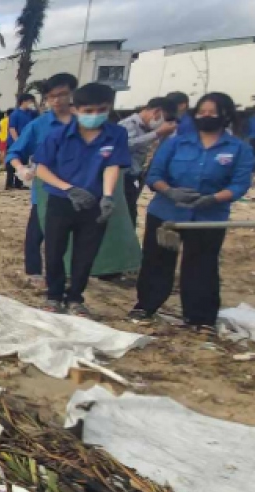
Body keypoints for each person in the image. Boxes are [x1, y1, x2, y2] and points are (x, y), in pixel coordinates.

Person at [132, 92, 253, 328]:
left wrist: (214, 198)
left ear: (225, 115)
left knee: (201, 265)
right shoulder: (176, 142)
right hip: (167, 214)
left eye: (212, 113)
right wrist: (169, 191)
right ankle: (146, 306)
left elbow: (240, 184)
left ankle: (200, 318)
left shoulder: (238, 149)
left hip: (208, 217)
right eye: (201, 112)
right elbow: (155, 174)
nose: (206, 116)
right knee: (157, 261)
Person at [33, 82, 130, 317]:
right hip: (61, 200)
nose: (94, 116)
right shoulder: (57, 136)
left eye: (101, 110)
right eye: (88, 111)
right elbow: (41, 169)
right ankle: (54, 296)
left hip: (94, 203)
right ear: (75, 109)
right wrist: (68, 189)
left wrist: (107, 196)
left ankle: (75, 297)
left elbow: (112, 166)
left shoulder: (116, 134)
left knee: (86, 253)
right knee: (55, 250)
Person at [7, 73, 79, 285]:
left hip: (77, 189)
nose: (56, 100)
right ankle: (35, 271)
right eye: (51, 96)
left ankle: (68, 272)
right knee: (37, 231)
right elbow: (14, 152)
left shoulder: (84, 124)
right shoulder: (38, 125)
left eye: (62, 94)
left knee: (70, 236)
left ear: (72, 94)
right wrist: (21, 168)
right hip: (46, 191)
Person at [119, 97, 176, 224]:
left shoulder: (145, 129)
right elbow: (124, 146)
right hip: (122, 178)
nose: (163, 123)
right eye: (163, 118)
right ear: (157, 112)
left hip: (133, 179)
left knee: (130, 218)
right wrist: (157, 133)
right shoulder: (128, 124)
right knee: (126, 220)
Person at [6, 95, 38, 189]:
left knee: (23, 162)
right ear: (23, 102)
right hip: (16, 142)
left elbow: (41, 112)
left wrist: (36, 103)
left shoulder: (30, 113)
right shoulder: (15, 114)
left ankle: (18, 183)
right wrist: (18, 141)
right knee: (13, 162)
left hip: (27, 142)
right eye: (29, 101)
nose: (30, 104)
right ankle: (9, 183)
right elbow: (12, 128)